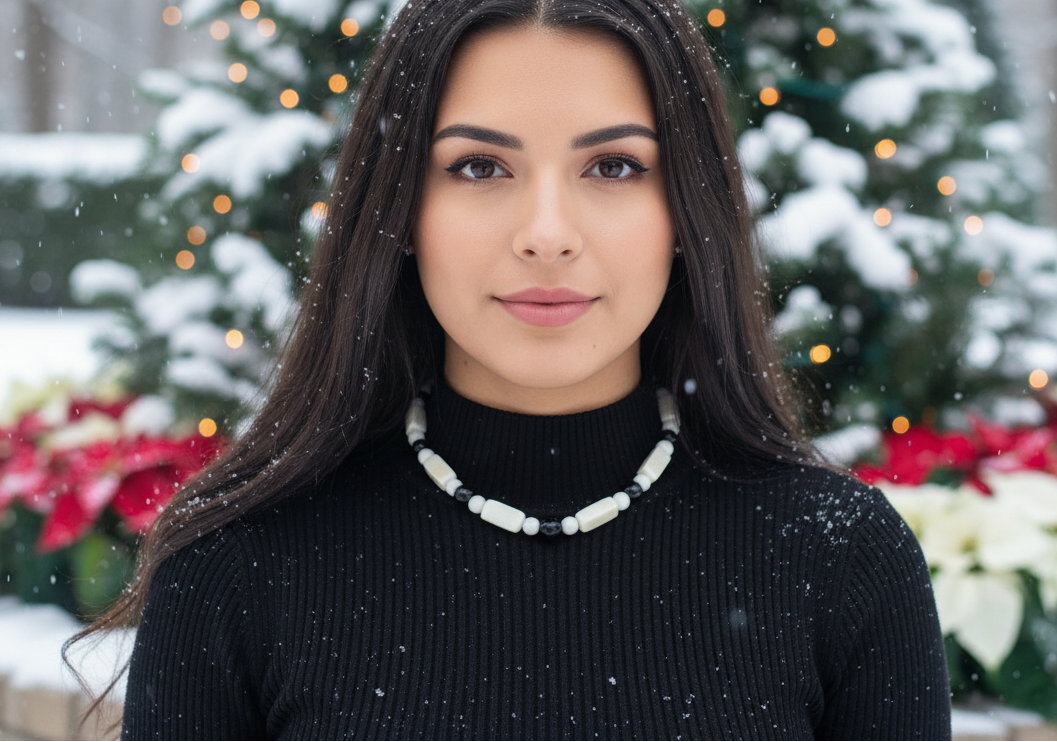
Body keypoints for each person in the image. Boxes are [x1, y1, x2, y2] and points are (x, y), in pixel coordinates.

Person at [82, 0, 951, 738]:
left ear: (685, 209)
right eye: (479, 166)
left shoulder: (838, 563)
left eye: (612, 166)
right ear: (400, 209)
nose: (546, 231)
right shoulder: (238, 565)